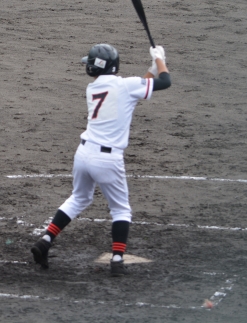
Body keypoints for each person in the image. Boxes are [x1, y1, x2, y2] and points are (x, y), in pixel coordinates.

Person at [31, 44, 171, 276]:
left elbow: (133, 91)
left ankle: (46, 240)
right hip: (107, 159)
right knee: (121, 209)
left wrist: (152, 71)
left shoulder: (94, 87)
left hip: (83, 154)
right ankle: (117, 259)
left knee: (78, 198)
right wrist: (159, 60)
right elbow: (165, 82)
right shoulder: (125, 85)